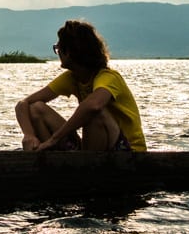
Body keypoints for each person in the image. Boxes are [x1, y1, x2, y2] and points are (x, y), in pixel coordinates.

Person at [15, 19, 146, 152]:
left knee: (95, 113)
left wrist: (54, 139)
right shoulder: (72, 78)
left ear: (70, 52)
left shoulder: (109, 78)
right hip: (91, 150)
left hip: (129, 153)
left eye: (58, 48)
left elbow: (94, 106)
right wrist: (29, 135)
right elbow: (23, 104)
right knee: (36, 108)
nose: (58, 53)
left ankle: (83, 167)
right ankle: (53, 161)